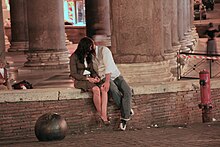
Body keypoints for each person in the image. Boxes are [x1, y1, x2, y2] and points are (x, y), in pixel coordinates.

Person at [86, 36, 134, 131]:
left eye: (90, 48)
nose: (89, 51)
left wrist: (107, 82)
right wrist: (95, 76)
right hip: (102, 77)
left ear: (92, 45)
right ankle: (125, 116)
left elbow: (109, 67)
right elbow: (92, 70)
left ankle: (126, 112)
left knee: (127, 90)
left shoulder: (104, 50)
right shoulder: (90, 57)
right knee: (113, 90)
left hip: (115, 74)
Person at [69, 37, 110, 125]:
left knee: (103, 88)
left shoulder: (88, 56)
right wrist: (87, 79)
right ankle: (102, 115)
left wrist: (96, 77)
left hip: (90, 79)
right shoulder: (74, 57)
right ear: (84, 46)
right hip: (80, 80)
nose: (91, 49)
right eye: (90, 47)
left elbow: (92, 70)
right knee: (96, 89)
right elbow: (73, 74)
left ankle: (103, 113)